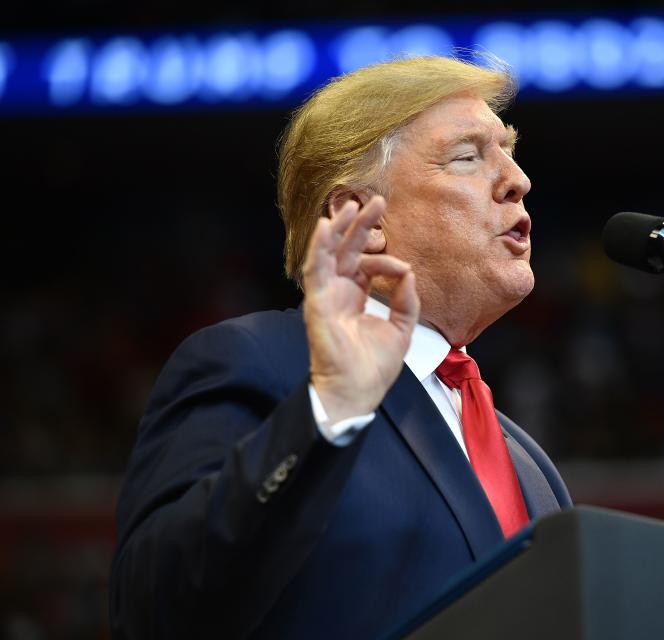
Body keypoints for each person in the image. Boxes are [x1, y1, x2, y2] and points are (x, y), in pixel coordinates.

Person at [109, 56, 571, 639]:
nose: (518, 179)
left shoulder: (528, 460)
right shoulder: (257, 365)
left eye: (508, 150)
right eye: (467, 156)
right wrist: (329, 410)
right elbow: (153, 611)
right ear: (360, 218)